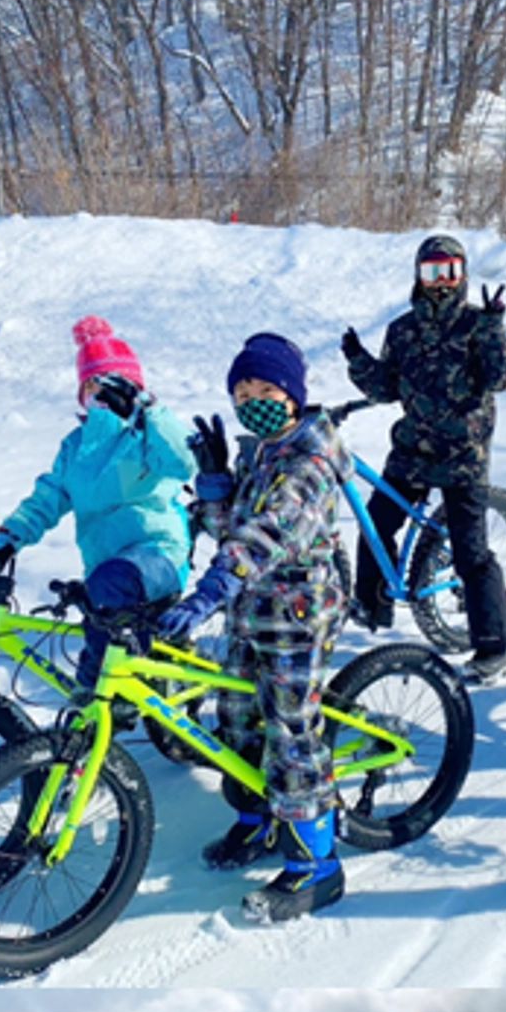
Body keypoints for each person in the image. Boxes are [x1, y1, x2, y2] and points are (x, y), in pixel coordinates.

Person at [163, 332, 354, 924]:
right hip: (252, 609)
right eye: (242, 392)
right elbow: (233, 528)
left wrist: (216, 585)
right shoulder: (262, 450)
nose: (254, 401)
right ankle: (257, 820)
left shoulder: (310, 460)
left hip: (298, 614)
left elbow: (270, 531)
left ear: (294, 395)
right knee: (238, 715)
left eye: (266, 390)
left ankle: (316, 869)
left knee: (291, 731)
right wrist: (217, 486)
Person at [341, 233, 506, 682]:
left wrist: (494, 328)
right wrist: (357, 359)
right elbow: (386, 387)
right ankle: (372, 604)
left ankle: (493, 646)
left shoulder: (478, 325)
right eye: (431, 272)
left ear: (462, 276)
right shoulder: (402, 330)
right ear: (418, 276)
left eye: (450, 273)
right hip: (412, 450)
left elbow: (503, 378)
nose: (440, 283)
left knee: (471, 553)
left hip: (464, 456)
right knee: (376, 524)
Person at [0, 317, 195, 636]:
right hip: (102, 580)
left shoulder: (147, 436)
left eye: (114, 383)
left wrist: (146, 410)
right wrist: (0, 546)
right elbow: (44, 502)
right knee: (93, 675)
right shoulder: (75, 448)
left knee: (112, 588)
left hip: (158, 558)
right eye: (93, 384)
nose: (102, 393)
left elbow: (185, 461)